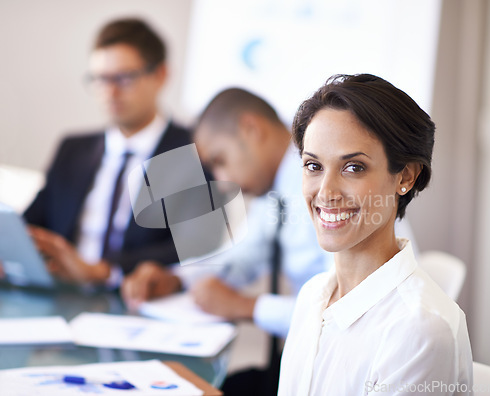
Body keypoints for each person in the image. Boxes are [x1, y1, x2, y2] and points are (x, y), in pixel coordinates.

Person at [121, 88, 419, 395]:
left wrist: (246, 306)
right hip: (303, 364)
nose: (224, 181)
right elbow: (243, 259)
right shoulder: (276, 194)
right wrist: (177, 278)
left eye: (220, 160)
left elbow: (353, 315)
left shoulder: (336, 203)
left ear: (251, 130)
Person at [278, 74, 473, 395]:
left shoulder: (421, 328)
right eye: (313, 166)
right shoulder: (312, 296)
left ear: (406, 176)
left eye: (353, 167)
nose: (325, 193)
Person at [23, 18, 191, 289]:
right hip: (61, 291)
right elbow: (33, 223)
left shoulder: (192, 151)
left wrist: (102, 271)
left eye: (124, 78)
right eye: (101, 79)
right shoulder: (73, 149)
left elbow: (194, 248)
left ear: (160, 75)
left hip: (133, 300)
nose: (110, 92)